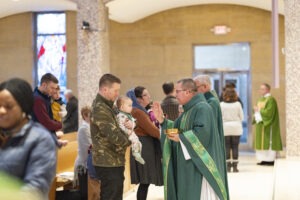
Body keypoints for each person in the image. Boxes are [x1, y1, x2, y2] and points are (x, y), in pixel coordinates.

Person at [153, 78, 229, 200]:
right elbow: (177, 128)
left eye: (177, 91)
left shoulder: (202, 108)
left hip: (200, 168)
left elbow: (203, 133)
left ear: (188, 92)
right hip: (190, 165)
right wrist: (162, 120)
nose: (175, 95)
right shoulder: (189, 110)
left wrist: (182, 138)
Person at [0, 78, 57, 199]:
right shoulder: (4, 135)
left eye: (8, 106)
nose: (1, 111)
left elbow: (34, 190)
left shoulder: (40, 139)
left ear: (23, 107)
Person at [90, 74, 131, 200]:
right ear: (105, 89)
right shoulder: (100, 108)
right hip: (107, 161)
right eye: (115, 91)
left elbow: (120, 124)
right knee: (111, 196)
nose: (117, 94)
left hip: (113, 159)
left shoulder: (109, 106)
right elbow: (113, 135)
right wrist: (130, 141)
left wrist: (128, 125)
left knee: (115, 195)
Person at [127, 86, 163, 200]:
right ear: (139, 99)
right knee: (144, 181)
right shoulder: (138, 112)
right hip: (144, 147)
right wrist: (163, 133)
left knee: (144, 181)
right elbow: (152, 130)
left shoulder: (137, 110)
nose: (149, 97)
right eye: (146, 95)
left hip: (142, 145)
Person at [32, 73, 67, 147]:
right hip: (40, 142)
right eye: (52, 88)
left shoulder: (44, 97)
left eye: (55, 88)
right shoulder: (38, 99)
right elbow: (46, 123)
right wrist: (60, 124)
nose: (54, 91)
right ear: (44, 85)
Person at [253, 83, 283, 166]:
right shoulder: (260, 99)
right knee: (261, 142)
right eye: (260, 89)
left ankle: (270, 160)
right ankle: (263, 159)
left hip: (268, 126)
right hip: (260, 124)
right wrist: (255, 110)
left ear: (268, 90)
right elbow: (258, 110)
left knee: (268, 141)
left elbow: (269, 113)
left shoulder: (271, 100)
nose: (260, 90)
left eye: (262, 89)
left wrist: (258, 110)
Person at [74, 106, 96, 200]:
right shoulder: (84, 128)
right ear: (85, 116)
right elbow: (91, 146)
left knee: (91, 193)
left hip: (91, 163)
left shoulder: (90, 126)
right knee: (85, 193)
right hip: (84, 165)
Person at [116, 96, 145, 165]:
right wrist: (127, 132)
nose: (131, 107)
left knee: (138, 143)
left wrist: (133, 124)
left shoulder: (128, 115)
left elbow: (134, 123)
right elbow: (120, 125)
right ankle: (136, 154)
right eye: (129, 105)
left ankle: (137, 154)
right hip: (127, 135)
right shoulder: (121, 116)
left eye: (131, 105)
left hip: (131, 133)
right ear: (122, 107)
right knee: (135, 142)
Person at [220, 88, 244, 172]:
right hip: (236, 127)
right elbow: (242, 117)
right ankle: (235, 167)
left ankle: (227, 167)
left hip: (225, 127)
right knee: (235, 147)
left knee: (226, 146)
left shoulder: (221, 104)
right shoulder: (238, 104)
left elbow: (219, 117)